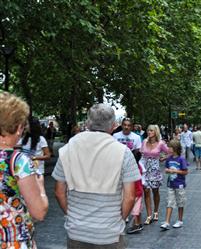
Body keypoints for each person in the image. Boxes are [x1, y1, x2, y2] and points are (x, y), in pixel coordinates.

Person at [52, 103, 141, 248]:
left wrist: (72, 216)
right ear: (113, 126)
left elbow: (59, 192)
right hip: (109, 234)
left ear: (87, 123)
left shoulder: (68, 148)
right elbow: (130, 196)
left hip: (76, 232)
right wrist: (119, 219)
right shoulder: (124, 153)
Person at [0, 91, 48, 248]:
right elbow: (39, 212)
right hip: (13, 241)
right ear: (18, 127)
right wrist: (40, 187)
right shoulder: (18, 161)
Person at [140, 125, 169, 225]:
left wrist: (164, 158)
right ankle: (149, 215)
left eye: (151, 130)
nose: (149, 132)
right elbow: (141, 154)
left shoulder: (160, 143)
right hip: (145, 170)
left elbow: (169, 152)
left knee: (155, 191)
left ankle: (156, 211)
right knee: (146, 191)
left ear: (155, 132)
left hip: (155, 171)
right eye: (148, 130)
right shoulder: (144, 142)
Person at [160, 140, 188, 230]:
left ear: (175, 148)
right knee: (170, 202)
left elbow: (185, 171)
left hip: (180, 184)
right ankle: (167, 222)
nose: (168, 149)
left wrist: (174, 171)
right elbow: (167, 168)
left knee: (180, 202)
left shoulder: (181, 159)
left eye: (170, 147)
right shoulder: (169, 158)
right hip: (171, 184)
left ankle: (180, 220)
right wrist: (167, 170)